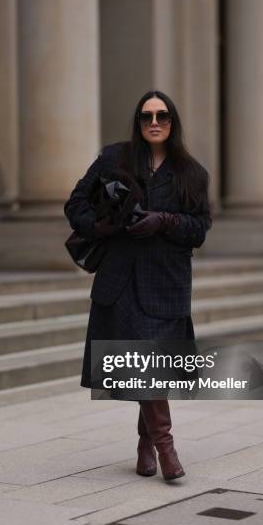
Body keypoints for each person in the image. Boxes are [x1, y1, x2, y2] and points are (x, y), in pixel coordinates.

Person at [64, 90, 212, 481]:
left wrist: (164, 221)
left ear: (172, 122)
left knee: (151, 368)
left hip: (166, 284)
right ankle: (166, 448)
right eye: (146, 116)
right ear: (138, 122)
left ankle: (147, 444)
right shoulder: (114, 158)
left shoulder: (192, 173)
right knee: (146, 365)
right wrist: (102, 226)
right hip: (121, 280)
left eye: (162, 116)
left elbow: (199, 229)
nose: (154, 123)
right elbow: (75, 204)